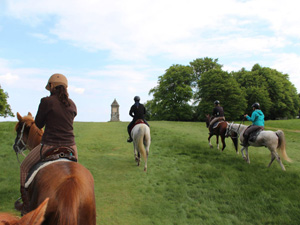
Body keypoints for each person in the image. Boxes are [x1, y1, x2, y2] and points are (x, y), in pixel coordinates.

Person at [15, 73, 78, 215]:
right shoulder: (72, 104)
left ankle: (26, 206)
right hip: (71, 147)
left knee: (24, 167)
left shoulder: (46, 101)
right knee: (75, 170)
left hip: (50, 145)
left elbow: (38, 124)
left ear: (51, 87)